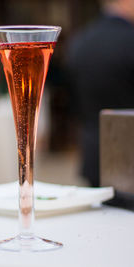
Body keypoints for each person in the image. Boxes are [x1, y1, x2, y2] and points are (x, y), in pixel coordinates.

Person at [66, 0, 134, 187]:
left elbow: (73, 100)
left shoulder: (80, 40)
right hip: (130, 156)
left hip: (94, 154)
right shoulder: (130, 40)